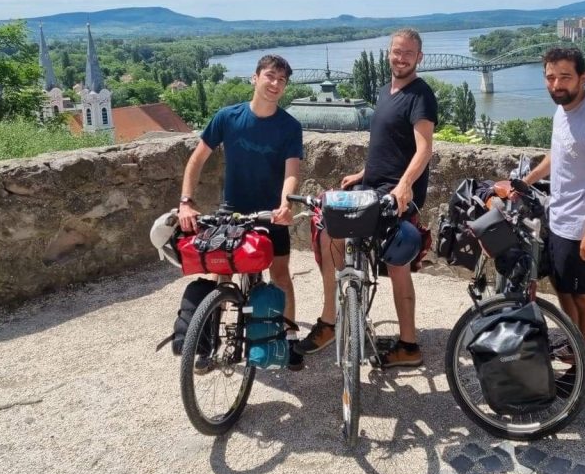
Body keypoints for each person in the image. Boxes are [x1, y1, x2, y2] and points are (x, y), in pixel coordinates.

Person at [297, 28, 437, 367]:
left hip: (396, 196)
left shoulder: (421, 95)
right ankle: (333, 315)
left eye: (408, 53)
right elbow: (389, 143)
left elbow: (424, 149)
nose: (401, 58)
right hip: (371, 187)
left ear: (419, 57)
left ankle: (408, 345)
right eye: (396, 51)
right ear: (389, 53)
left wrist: (403, 186)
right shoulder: (384, 91)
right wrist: (364, 172)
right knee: (328, 224)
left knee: (396, 262)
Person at [177, 54, 304, 369]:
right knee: (222, 273)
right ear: (255, 78)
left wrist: (285, 203)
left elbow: (292, 170)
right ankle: (208, 343)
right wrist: (186, 201)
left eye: (281, 80)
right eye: (270, 76)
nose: (275, 84)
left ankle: (288, 336)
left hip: (270, 212)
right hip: (232, 210)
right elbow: (197, 159)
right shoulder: (227, 117)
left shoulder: (289, 126)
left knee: (279, 274)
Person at [519, 47, 585, 389]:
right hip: (560, 218)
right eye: (550, 77)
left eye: (565, 77)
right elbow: (557, 155)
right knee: (565, 290)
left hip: (584, 226)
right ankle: (576, 346)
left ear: (583, 78)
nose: (557, 84)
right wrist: (523, 182)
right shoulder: (563, 110)